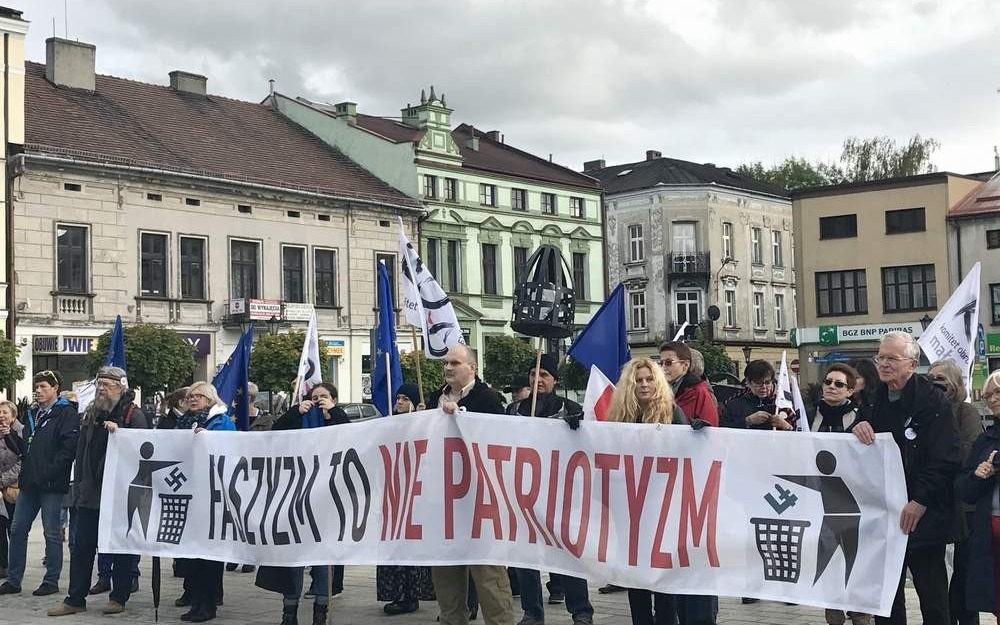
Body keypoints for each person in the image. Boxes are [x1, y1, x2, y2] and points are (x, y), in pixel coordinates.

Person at [852, 332, 958, 625]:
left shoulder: (934, 402)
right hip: (885, 516)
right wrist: (858, 427)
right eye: (880, 357)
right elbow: (860, 451)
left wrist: (920, 500)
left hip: (924, 515)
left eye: (892, 358)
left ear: (912, 364)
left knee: (933, 599)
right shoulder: (873, 400)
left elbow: (945, 459)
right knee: (886, 600)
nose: (884, 364)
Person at [607, 358, 710, 625]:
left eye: (649, 379)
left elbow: (687, 457)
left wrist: (697, 435)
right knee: (635, 576)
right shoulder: (619, 417)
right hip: (629, 508)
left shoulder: (672, 413)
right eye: (638, 380)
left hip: (662, 506)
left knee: (662, 577)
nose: (643, 384)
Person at [47, 367, 149, 617]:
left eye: (107, 384)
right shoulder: (92, 412)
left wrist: (121, 435)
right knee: (82, 547)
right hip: (90, 493)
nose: (102, 388)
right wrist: (79, 483)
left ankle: (119, 596)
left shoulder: (133, 415)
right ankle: (75, 598)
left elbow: (142, 450)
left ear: (120, 387)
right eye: (99, 384)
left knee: (120, 548)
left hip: (119, 496)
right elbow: (81, 451)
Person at [427, 344, 514, 625]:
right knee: (447, 582)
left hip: (480, 502)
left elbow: (500, 442)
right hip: (444, 504)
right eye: (445, 363)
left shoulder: (488, 399)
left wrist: (463, 416)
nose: (448, 368)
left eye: (455, 363)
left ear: (472, 368)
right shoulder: (433, 400)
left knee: (489, 580)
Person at [508, 355, 593, 625]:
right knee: (525, 556)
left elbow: (587, 445)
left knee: (567, 555)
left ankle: (581, 610)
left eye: (544, 374)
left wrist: (577, 427)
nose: (538, 379)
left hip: (560, 494)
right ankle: (532, 611)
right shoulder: (514, 410)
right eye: (533, 374)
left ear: (555, 379)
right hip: (524, 492)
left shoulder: (570, 408)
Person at [259, 382, 349, 625]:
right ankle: (289, 612)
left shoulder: (336, 419)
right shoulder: (298, 419)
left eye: (324, 396)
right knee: (295, 558)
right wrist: (294, 411)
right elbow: (275, 434)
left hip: (327, 500)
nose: (318, 400)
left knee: (322, 559)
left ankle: (320, 610)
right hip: (297, 498)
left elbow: (350, 439)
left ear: (334, 399)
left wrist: (334, 413)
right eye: (314, 396)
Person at [0, 371, 79, 597]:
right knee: (17, 530)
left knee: (51, 532)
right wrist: (9, 437)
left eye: (43, 386)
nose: (38, 391)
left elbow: (67, 450)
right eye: (37, 387)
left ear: (55, 388)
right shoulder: (33, 413)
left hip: (52, 483)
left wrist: (48, 472)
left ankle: (51, 580)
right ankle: (14, 580)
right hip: (29, 482)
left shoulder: (66, 413)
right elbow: (25, 448)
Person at [806, 364, 869, 625]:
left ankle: (861, 616)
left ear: (851, 390)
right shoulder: (808, 416)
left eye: (839, 384)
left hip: (855, 507)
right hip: (819, 505)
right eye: (828, 381)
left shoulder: (862, 418)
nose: (831, 386)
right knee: (828, 571)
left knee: (857, 570)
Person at [927, 360, 983, 625]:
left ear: (954, 384)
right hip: (935, 505)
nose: (934, 384)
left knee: (964, 574)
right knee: (938, 576)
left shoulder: (965, 412)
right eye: (929, 379)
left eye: (940, 379)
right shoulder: (925, 413)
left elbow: (966, 453)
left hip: (963, 508)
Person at [175, 382, 235, 623]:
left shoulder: (221, 422)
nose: (193, 399)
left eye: (199, 395)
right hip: (191, 492)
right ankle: (196, 601)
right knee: (194, 554)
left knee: (209, 555)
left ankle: (208, 604)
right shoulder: (185, 422)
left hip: (213, 495)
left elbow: (230, 450)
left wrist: (208, 439)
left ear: (210, 399)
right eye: (190, 396)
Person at [376, 382, 435, 617]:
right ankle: (397, 593)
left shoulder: (422, 424)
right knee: (393, 545)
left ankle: (411, 594)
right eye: (397, 398)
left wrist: (424, 420)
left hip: (416, 495)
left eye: (404, 398)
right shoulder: (389, 425)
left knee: (410, 547)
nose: (399, 402)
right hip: (393, 493)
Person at [957, 370, 1000, 621]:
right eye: (987, 395)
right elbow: (964, 491)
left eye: (998, 392)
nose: (992, 399)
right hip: (990, 531)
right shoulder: (986, 439)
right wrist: (978, 475)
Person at [720, 360, 792, 432]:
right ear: (748, 382)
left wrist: (785, 425)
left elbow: (798, 430)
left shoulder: (782, 404)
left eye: (767, 382)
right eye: (758, 383)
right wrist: (747, 421)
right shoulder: (734, 404)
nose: (763, 387)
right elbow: (722, 430)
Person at [659, 341, 717, 426]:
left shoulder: (700, 392)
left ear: (685, 365)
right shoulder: (657, 391)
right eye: (661, 363)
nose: (663, 367)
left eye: (668, 363)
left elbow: (711, 430)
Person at [0, 399, 24, 580]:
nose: (1, 416)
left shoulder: (21, 432)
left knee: (14, 529)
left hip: (14, 488)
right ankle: (3, 564)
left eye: (5, 413)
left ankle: (15, 571)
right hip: (1, 489)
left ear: (13, 415)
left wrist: (2, 480)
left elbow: (22, 462)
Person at [848, 359, 879, 424]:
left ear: (868, 378)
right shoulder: (844, 401)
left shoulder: (878, 401)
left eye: (856, 378)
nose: (850, 381)